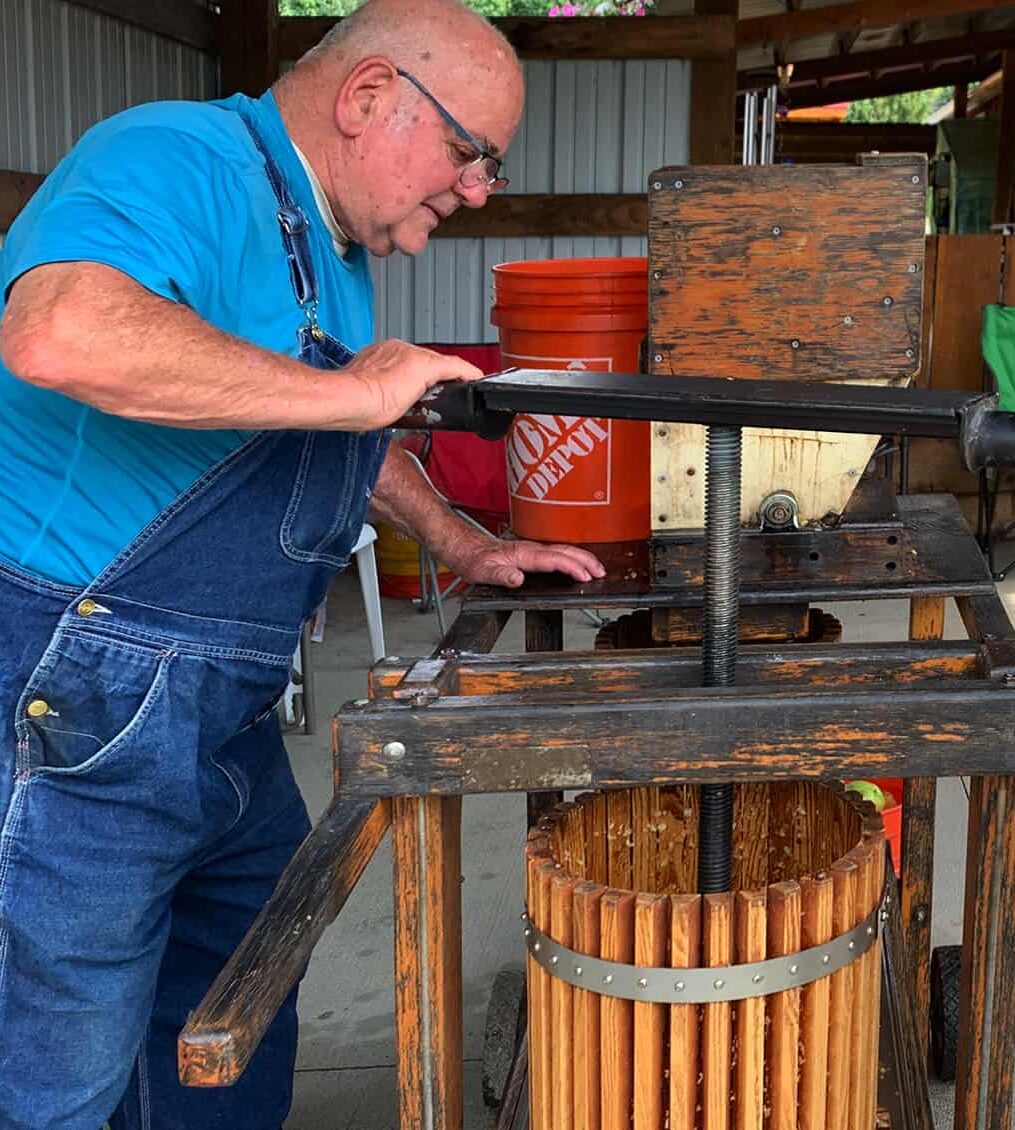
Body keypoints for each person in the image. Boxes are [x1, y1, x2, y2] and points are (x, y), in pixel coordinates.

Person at [0, 1, 604, 1126]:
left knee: (229, 1006)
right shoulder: (177, 155)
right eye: (471, 154)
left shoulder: (324, 245)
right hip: (80, 700)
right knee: (60, 1064)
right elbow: (59, 331)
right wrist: (354, 391)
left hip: (215, 711)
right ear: (370, 95)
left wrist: (463, 539)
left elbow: (318, 430)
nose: (478, 190)